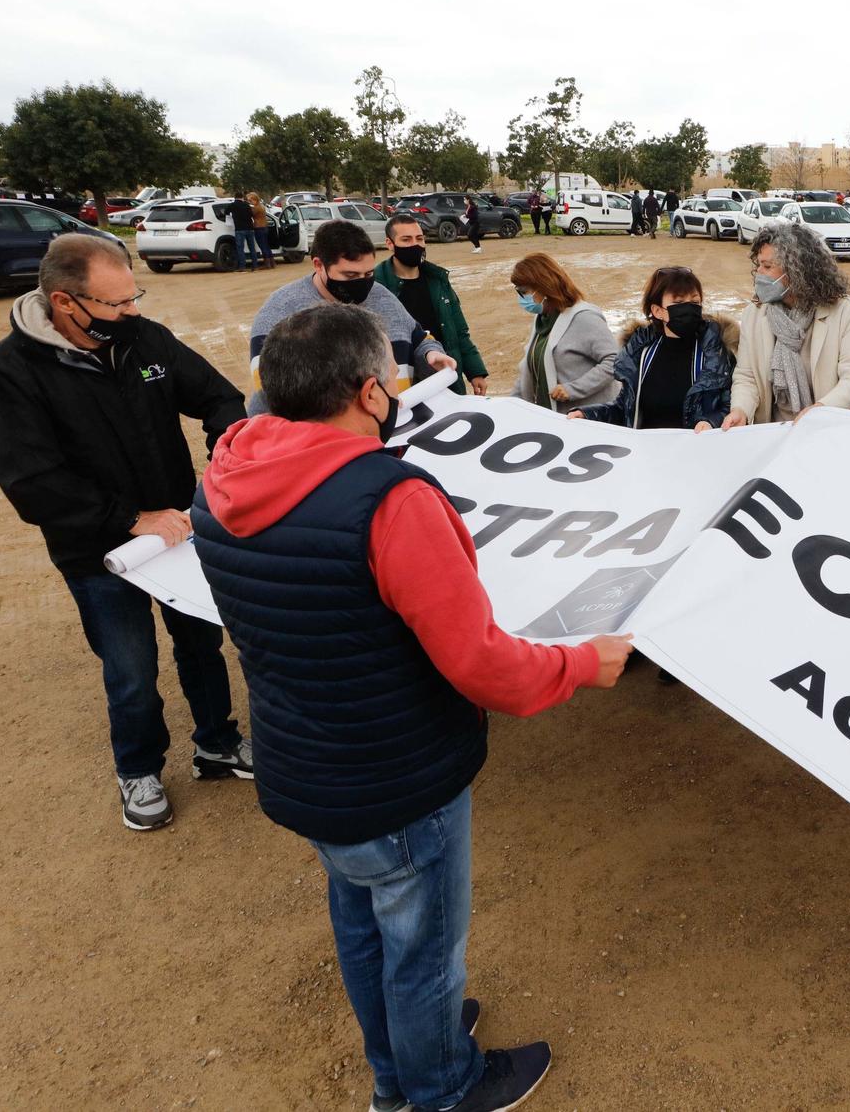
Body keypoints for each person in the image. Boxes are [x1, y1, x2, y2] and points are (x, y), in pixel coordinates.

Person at [192, 302, 632, 1112]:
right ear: (368, 391)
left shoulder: (221, 478)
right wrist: (582, 662)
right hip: (398, 774)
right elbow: (480, 663)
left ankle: (398, 1066)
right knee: (422, 944)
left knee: (363, 924)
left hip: (307, 764)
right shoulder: (387, 498)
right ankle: (440, 1088)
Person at [0, 233, 252, 832]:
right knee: (130, 665)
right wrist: (129, 520)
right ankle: (139, 768)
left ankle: (216, 744)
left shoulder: (144, 340)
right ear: (65, 302)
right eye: (116, 305)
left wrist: (227, 457)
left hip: (178, 533)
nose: (133, 312)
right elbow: (31, 482)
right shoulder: (8, 373)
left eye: (134, 297)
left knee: (201, 643)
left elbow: (219, 397)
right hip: (99, 552)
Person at [246, 220, 456, 415]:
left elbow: (419, 338)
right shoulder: (280, 313)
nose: (363, 284)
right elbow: (273, 392)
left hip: (396, 425)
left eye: (368, 274)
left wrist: (430, 354)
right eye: (350, 276)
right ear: (319, 265)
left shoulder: (382, 296)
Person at [720, 223, 850, 426]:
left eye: (767, 266)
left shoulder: (845, 311)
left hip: (826, 426)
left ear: (797, 270)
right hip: (774, 430)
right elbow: (747, 376)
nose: (759, 274)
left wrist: (820, 410)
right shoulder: (754, 314)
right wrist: (741, 410)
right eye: (758, 265)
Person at [573, 265, 736, 430]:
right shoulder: (642, 353)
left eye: (695, 301)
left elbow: (730, 407)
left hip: (696, 451)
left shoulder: (716, 353)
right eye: (679, 302)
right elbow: (625, 409)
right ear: (658, 311)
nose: (689, 308)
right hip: (648, 453)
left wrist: (710, 422)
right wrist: (588, 414)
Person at [374, 215, 489, 394]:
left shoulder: (437, 279)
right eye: (406, 239)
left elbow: (459, 331)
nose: (415, 244)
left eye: (419, 238)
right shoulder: (376, 283)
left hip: (446, 375)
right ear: (390, 244)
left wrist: (475, 372)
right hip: (403, 385)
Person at [510, 253, 620, 410]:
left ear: (544, 286)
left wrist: (573, 389)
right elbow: (531, 368)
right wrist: (511, 403)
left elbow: (615, 361)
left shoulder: (584, 318)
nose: (521, 297)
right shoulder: (542, 320)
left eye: (524, 291)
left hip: (587, 419)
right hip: (556, 418)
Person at [228, 192, 264, 270]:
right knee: (252, 248)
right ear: (242, 197)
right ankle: (255, 266)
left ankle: (242, 267)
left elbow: (225, 212)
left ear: (235, 197)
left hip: (239, 229)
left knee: (240, 248)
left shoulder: (232, 205)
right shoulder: (247, 205)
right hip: (250, 228)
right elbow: (252, 214)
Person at [247, 191, 277, 267]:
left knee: (262, 245)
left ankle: (267, 263)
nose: (249, 202)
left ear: (255, 199)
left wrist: (247, 206)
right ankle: (272, 262)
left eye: (250, 200)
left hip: (259, 227)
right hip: (264, 227)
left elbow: (250, 213)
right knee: (266, 245)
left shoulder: (256, 208)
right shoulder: (262, 206)